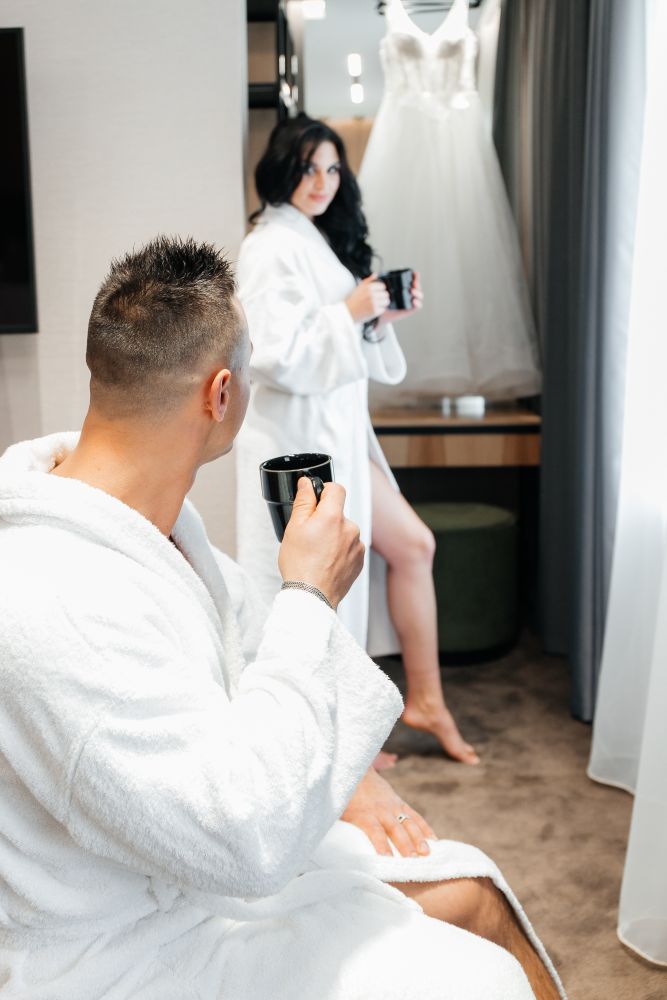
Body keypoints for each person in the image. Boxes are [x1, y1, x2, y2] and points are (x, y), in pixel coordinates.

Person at [0, 237, 564, 1000]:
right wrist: (310, 595)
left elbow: (244, 647)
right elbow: (245, 838)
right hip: (120, 952)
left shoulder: (134, 520)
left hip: (189, 874)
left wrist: (347, 777)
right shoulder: (51, 597)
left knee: (475, 889)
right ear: (220, 393)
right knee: (483, 977)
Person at [235, 114, 478, 767]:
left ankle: (424, 701)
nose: (322, 182)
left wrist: (377, 318)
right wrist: (352, 311)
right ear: (282, 170)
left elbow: (338, 339)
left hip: (339, 435)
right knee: (318, 585)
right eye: (308, 168)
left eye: (332, 169)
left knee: (412, 546)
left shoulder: (310, 239)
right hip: (299, 444)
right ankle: (335, 741)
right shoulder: (268, 246)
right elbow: (274, 353)